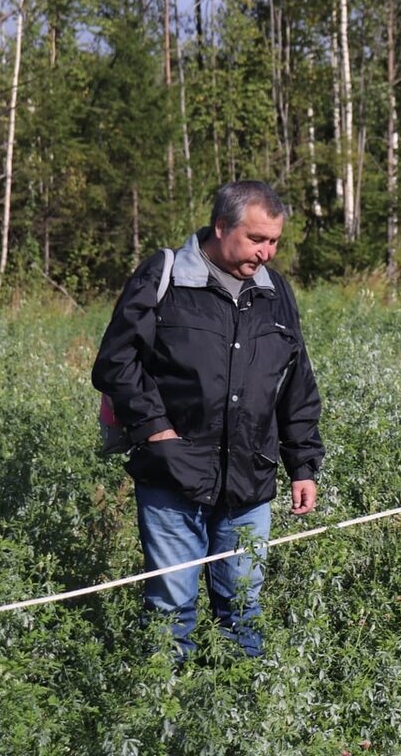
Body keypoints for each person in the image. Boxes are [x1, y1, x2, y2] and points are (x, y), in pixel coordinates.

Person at [92, 180, 324, 660]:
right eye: (257, 239)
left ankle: (239, 715)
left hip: (250, 477)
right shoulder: (167, 275)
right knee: (171, 606)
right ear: (222, 227)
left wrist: (302, 465)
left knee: (243, 607)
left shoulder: (275, 290)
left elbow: (294, 379)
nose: (267, 252)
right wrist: (158, 432)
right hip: (172, 474)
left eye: (274, 241)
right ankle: (166, 716)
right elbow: (116, 363)